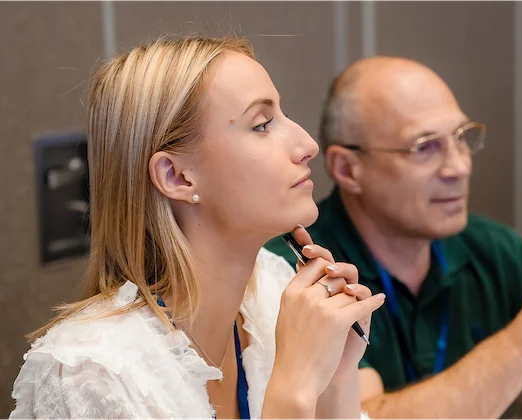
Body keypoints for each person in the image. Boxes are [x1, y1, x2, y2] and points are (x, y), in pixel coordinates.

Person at [9, 36, 385, 420]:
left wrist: (336, 380)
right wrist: (294, 388)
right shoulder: (90, 376)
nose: (308, 145)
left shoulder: (272, 294)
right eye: (262, 125)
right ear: (177, 176)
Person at [264, 56, 522, 419]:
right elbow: (363, 416)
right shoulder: (297, 269)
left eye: (461, 138)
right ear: (348, 169)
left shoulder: (494, 249)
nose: (459, 167)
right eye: (425, 147)